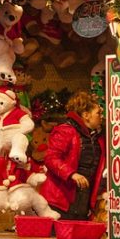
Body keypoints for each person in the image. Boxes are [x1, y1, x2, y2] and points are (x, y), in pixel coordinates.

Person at [40, 91, 107, 221]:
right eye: (98, 113)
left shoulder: (98, 136)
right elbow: (51, 158)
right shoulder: (66, 131)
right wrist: (71, 174)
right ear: (86, 115)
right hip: (62, 199)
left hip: (83, 198)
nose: (101, 117)